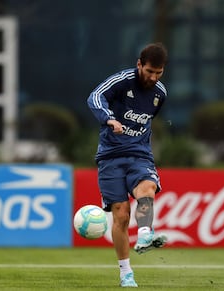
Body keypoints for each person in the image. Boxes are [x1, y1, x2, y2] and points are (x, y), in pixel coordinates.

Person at [87, 43, 168, 288]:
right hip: (110, 157)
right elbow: (94, 97)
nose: (153, 77)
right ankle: (126, 273)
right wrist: (109, 118)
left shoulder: (160, 93)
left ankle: (145, 234)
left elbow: (149, 121)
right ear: (139, 64)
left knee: (147, 190)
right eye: (150, 71)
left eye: (159, 73)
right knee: (121, 214)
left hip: (140, 155)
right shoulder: (122, 81)